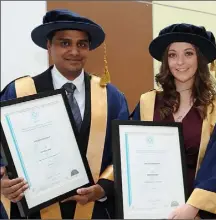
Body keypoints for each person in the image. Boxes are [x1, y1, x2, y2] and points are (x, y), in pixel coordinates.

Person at [0, 9, 129, 219]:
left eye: (82, 44)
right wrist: (3, 184)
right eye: (65, 43)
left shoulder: (111, 96)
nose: (74, 52)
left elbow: (123, 152)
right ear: (49, 46)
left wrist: (103, 188)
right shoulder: (20, 91)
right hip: (34, 211)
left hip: (93, 210)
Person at [130, 23, 216, 219]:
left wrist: (193, 207)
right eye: (172, 55)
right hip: (152, 207)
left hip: (198, 211)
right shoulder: (148, 102)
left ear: (200, 59)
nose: (180, 62)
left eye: (188, 54)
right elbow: (132, 157)